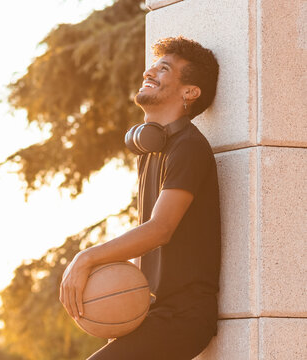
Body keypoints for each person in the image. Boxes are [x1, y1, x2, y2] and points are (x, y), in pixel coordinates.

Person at [59, 36, 221, 360]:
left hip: (184, 318)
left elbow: (160, 229)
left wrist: (86, 258)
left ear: (189, 92)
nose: (149, 72)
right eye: (153, 66)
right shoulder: (152, 150)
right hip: (154, 313)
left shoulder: (188, 146)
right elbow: (146, 240)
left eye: (163, 69)